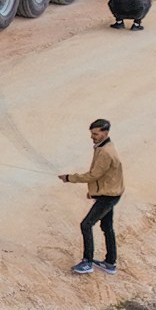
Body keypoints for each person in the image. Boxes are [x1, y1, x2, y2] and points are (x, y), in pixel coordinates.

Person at [58, 118, 123, 275]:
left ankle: (87, 262)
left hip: (108, 196)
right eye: (92, 133)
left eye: (95, 133)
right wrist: (94, 192)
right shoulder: (103, 146)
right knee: (106, 227)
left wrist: (69, 178)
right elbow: (105, 176)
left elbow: (93, 175)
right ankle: (110, 263)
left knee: (86, 225)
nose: (92, 137)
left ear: (104, 133)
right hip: (110, 193)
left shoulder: (106, 153)